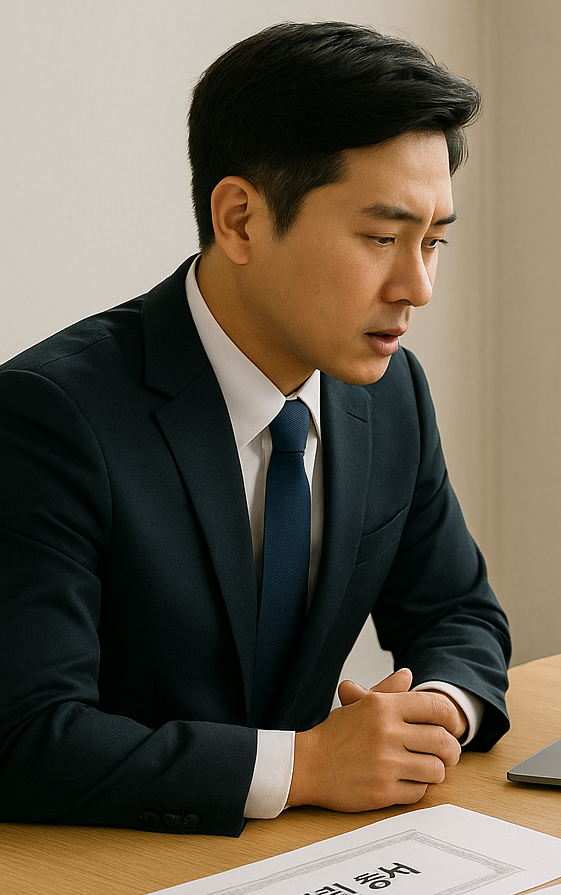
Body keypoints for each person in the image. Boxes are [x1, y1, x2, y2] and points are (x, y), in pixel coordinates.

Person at [0, 23, 511, 835]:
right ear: (239, 220)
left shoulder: (391, 393)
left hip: (295, 862)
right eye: (382, 238)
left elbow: (458, 613)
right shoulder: (50, 415)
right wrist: (305, 766)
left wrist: (435, 713)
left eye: (434, 241)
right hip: (105, 870)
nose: (417, 287)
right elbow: (26, 737)